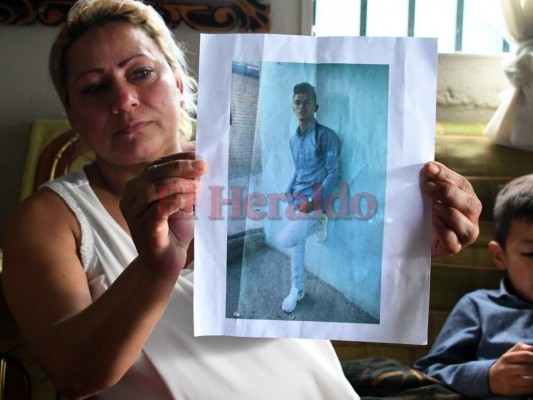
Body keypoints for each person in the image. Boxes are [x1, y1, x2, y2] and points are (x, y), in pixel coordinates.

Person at [1, 0, 481, 398]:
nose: (123, 99)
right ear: (73, 115)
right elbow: (74, 375)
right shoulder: (49, 219)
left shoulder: (244, 169)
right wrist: (155, 269)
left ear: (182, 84)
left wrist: (408, 237)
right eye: (95, 87)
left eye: (141, 72)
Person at [414, 174, 533, 398]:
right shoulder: (479, 307)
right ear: (499, 256)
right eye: (530, 254)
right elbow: (428, 376)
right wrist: (489, 377)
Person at [278, 82, 340, 313]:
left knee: (286, 240)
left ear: (316, 106)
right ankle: (298, 289)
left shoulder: (327, 136)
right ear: (292, 107)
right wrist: (289, 188)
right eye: (297, 102)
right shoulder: (293, 141)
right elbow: (299, 169)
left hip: (314, 203)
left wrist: (312, 202)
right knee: (298, 244)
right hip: (297, 200)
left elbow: (334, 173)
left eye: (307, 102)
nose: (301, 106)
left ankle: (319, 221)